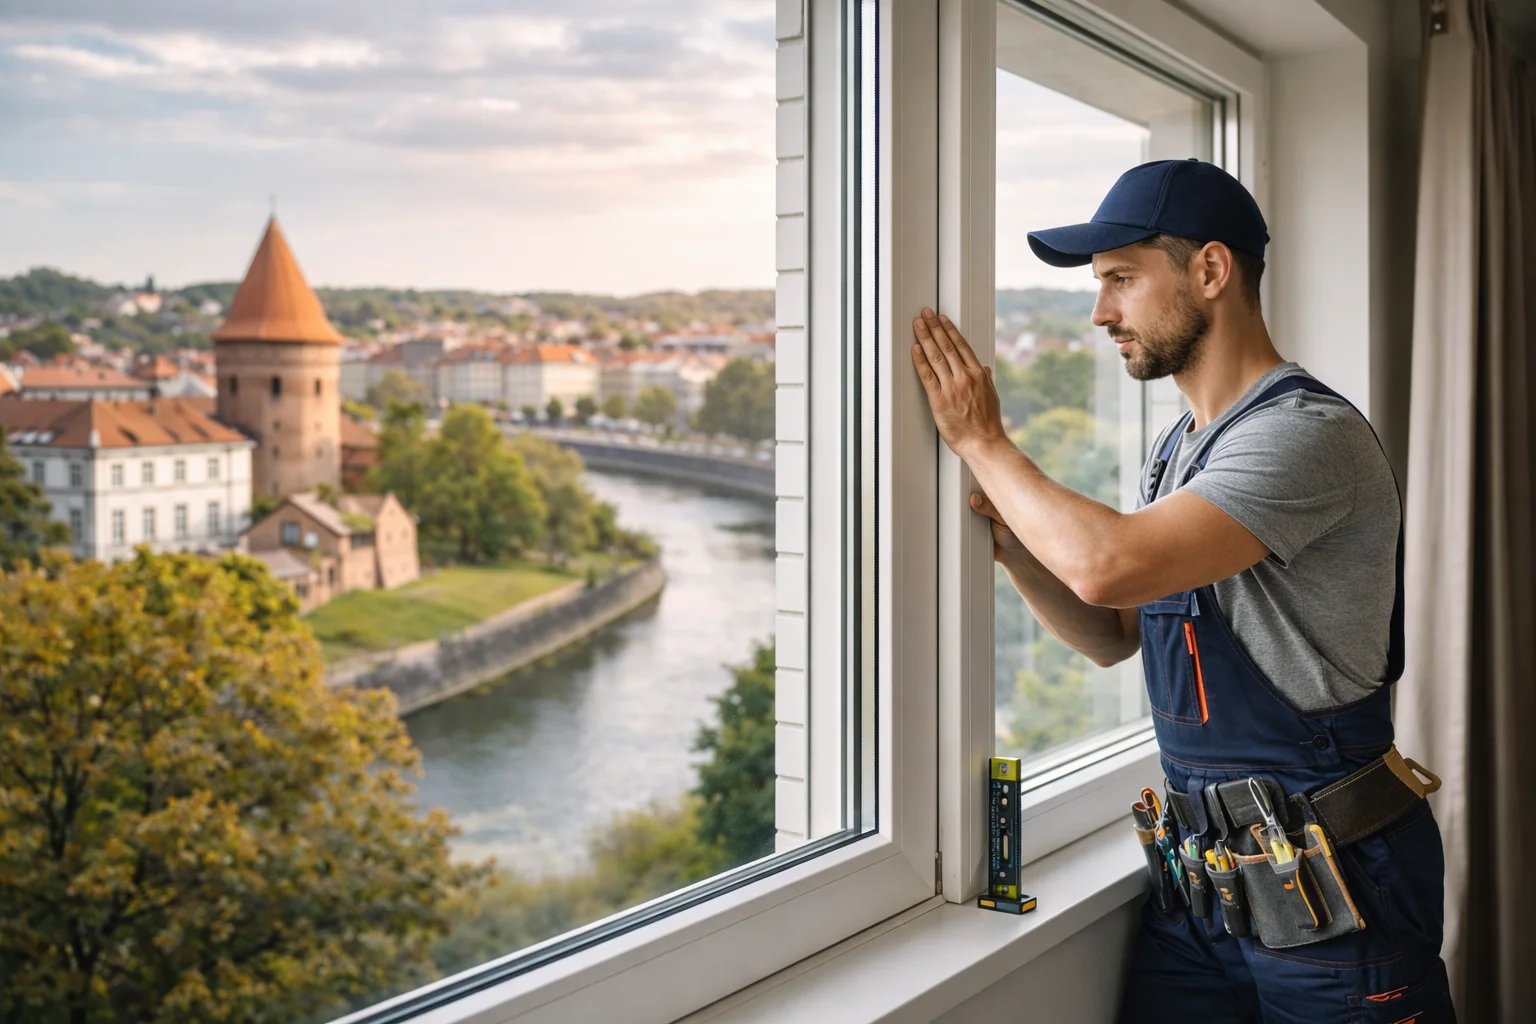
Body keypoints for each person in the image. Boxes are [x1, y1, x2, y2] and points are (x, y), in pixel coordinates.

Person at [910, 158, 1454, 1023]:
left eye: (1121, 280)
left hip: (1340, 892)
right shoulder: (1180, 450)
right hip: (1206, 895)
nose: (1100, 313)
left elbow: (1109, 562)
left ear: (1210, 270)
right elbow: (1111, 632)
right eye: (1099, 286)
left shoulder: (1305, 436)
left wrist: (985, 442)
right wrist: (1015, 552)